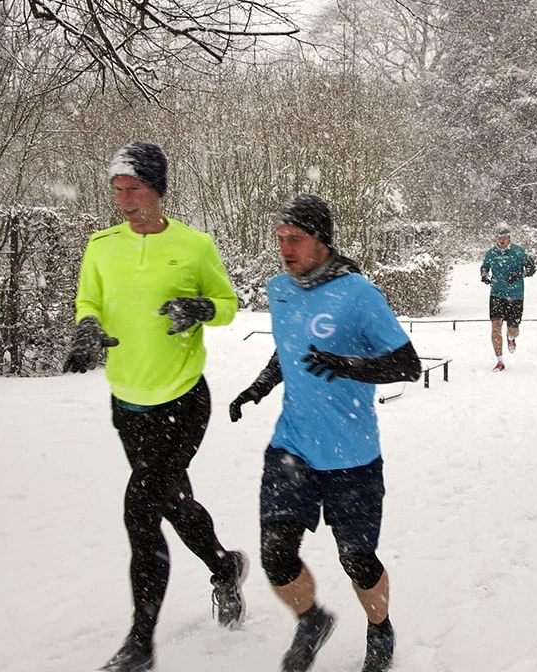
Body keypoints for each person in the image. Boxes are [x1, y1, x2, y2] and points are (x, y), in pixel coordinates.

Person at [63, 141, 249, 672]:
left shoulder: (194, 246)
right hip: (128, 402)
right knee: (170, 500)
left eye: (134, 188)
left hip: (184, 398)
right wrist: (87, 328)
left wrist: (200, 306)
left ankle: (141, 642)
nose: (123, 199)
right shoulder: (101, 246)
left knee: (141, 510)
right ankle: (224, 565)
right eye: (117, 189)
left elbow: (229, 306)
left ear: (158, 189)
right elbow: (89, 300)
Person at [228, 193, 421, 672]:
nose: (285, 249)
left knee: (358, 560)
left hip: (352, 453)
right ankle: (311, 620)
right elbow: (290, 348)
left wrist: (349, 364)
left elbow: (407, 364)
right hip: (292, 446)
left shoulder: (359, 294)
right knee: (275, 554)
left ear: (322, 241)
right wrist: (259, 386)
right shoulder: (280, 289)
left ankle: (380, 629)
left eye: (295, 239)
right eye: (280, 240)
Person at [479, 223, 535, 371]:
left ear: (509, 237)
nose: (501, 240)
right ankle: (500, 361)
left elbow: (531, 269)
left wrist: (519, 274)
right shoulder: (491, 253)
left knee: (513, 330)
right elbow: (485, 266)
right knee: (496, 326)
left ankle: (511, 338)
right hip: (497, 293)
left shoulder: (519, 252)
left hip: (515, 295)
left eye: (504, 237)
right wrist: (484, 274)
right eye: (499, 237)